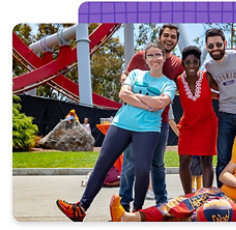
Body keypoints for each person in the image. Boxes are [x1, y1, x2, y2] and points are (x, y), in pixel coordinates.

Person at [56, 42, 177, 221]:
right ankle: (81, 208)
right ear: (145, 59)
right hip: (121, 124)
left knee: (143, 170)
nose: (154, 59)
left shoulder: (169, 84)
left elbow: (160, 103)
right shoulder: (136, 74)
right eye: (150, 55)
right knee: (102, 165)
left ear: (164, 57)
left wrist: (137, 98)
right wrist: (148, 102)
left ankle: (136, 213)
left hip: (148, 129)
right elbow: (123, 94)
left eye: (158, 54)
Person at [119, 24, 184, 211]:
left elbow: (186, 84)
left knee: (157, 163)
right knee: (130, 162)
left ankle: (161, 203)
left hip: (160, 121)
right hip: (134, 119)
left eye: (173, 36)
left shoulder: (177, 64)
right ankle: (124, 204)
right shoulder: (140, 57)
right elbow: (125, 75)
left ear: (176, 41)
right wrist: (127, 84)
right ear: (160, 37)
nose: (169, 39)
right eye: (166, 35)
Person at [204, 28, 236, 188]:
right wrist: (219, 96)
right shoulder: (209, 66)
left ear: (225, 43)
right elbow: (209, 87)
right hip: (225, 114)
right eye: (211, 46)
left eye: (218, 44)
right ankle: (222, 196)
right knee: (223, 158)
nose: (215, 49)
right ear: (207, 48)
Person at [176, 46, 218, 194]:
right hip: (188, 125)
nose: (192, 65)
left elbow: (221, 92)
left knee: (206, 162)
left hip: (207, 124)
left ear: (199, 63)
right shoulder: (179, 81)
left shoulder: (207, 77)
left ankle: (204, 198)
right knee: (184, 161)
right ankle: (188, 197)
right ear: (183, 64)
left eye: (195, 62)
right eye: (188, 62)